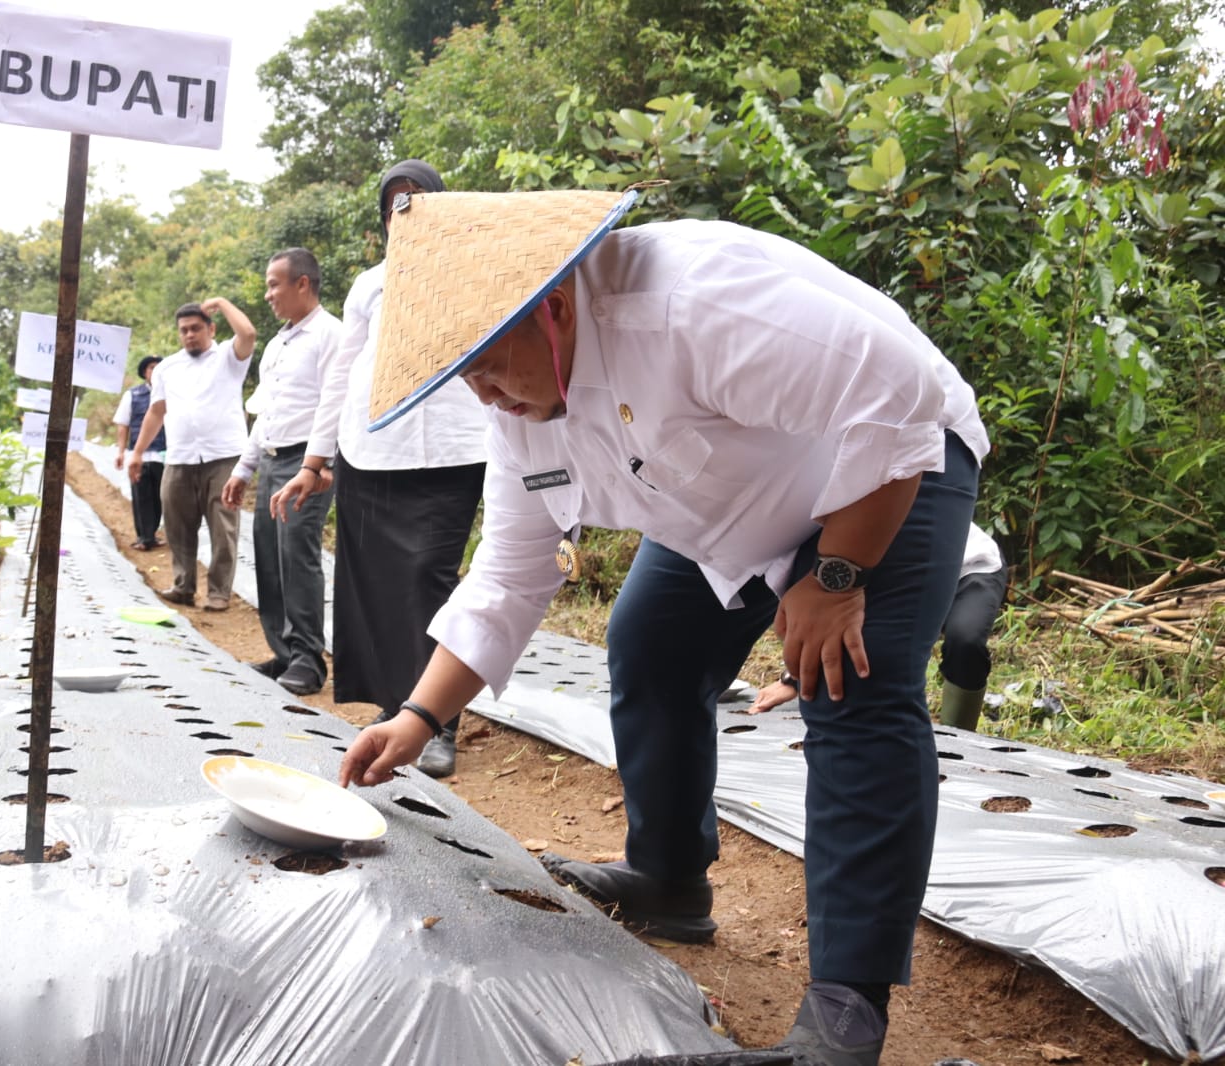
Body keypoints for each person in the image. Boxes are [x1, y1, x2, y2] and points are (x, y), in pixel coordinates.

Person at [337, 189, 989, 1066]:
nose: (487, 396)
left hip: (885, 465)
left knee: (852, 684)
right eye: (466, 380)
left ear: (555, 310)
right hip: (732, 506)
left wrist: (835, 577)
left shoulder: (690, 304)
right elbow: (509, 572)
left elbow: (899, 389)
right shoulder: (517, 406)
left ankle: (845, 1015)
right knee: (649, 645)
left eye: (492, 367)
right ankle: (670, 878)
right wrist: (416, 717)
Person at [271, 160, 487, 775]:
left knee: (427, 578)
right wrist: (316, 460)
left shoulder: (472, 270)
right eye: (395, 202)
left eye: (418, 198)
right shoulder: (369, 282)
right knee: (375, 582)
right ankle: (397, 708)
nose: (407, 210)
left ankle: (436, 721)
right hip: (370, 450)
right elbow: (343, 371)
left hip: (453, 448)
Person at [222, 248, 344, 696]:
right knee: (269, 556)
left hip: (306, 462)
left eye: (275, 284)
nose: (269, 294)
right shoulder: (278, 343)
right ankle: (284, 652)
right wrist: (244, 467)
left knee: (297, 554)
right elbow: (265, 411)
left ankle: (309, 660)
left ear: (302, 284)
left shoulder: (331, 335)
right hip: (273, 459)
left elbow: (334, 404)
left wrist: (320, 463)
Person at [747, 523, 1008, 730]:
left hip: (972, 568)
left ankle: (958, 736)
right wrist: (792, 680)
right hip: (914, 572)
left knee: (965, 642)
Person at [129, 298, 255, 611]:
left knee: (223, 528)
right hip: (180, 458)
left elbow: (249, 334)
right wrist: (138, 453)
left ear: (211, 329)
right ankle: (183, 586)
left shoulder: (228, 356)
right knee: (176, 525)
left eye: (196, 328)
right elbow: (156, 412)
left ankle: (218, 593)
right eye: (184, 330)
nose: (189, 335)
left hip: (223, 457)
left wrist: (223, 304)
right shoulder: (168, 368)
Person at [113, 354, 167, 551]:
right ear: (145, 372)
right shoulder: (132, 395)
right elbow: (122, 425)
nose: (154, 371)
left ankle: (152, 533)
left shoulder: (170, 395)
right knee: (141, 495)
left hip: (164, 455)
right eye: (151, 368)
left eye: (158, 368)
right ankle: (144, 537)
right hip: (140, 455)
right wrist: (121, 452)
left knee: (159, 496)